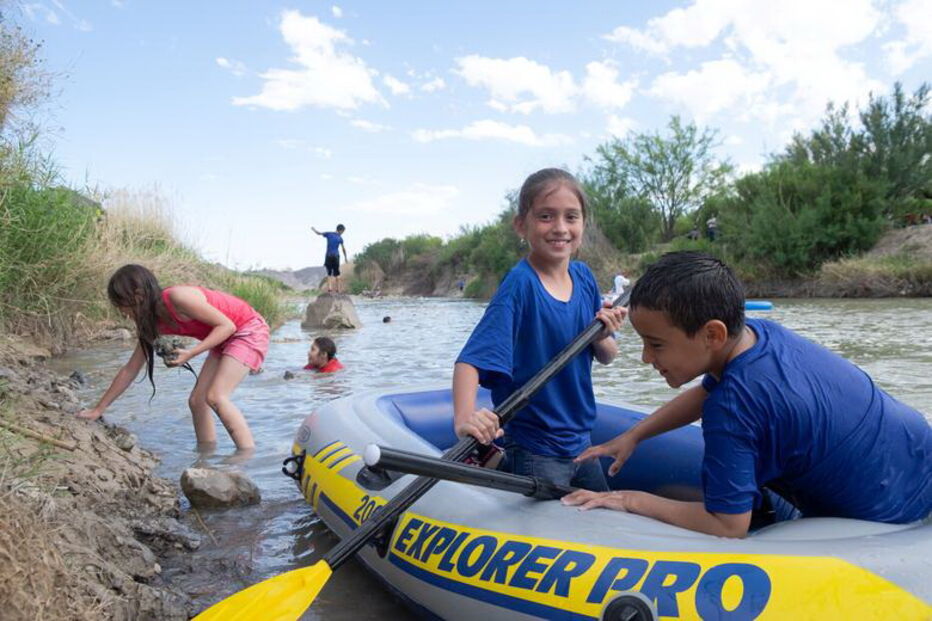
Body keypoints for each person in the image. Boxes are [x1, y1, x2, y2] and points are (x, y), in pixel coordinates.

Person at [563, 251, 932, 537]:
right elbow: (710, 391)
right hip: (918, 460)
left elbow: (727, 526)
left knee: (683, 493)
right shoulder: (761, 335)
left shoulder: (733, 409)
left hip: (888, 517)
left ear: (713, 334)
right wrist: (635, 435)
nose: (646, 358)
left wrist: (627, 499)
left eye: (656, 345)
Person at [453, 168, 625, 491]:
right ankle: (497, 461)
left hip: (581, 443)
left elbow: (607, 355)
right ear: (522, 225)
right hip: (535, 448)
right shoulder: (520, 286)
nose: (560, 228)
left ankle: (495, 461)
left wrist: (602, 334)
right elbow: (469, 361)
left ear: (583, 225)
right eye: (546, 216)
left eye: (571, 217)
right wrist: (464, 419)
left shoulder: (585, 278)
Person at [77, 265, 269, 450]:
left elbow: (227, 326)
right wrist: (98, 409)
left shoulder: (177, 297)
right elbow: (130, 370)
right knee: (197, 401)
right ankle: (206, 456)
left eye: (122, 306)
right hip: (224, 338)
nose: (123, 314)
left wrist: (192, 353)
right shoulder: (150, 325)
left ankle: (246, 457)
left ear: (138, 296)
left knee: (216, 397)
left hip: (248, 329)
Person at [312, 224, 348, 293]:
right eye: (343, 232)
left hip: (328, 256)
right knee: (337, 273)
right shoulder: (340, 238)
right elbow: (343, 249)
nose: (342, 233)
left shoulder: (329, 234)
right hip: (336, 256)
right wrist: (345, 257)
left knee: (329, 273)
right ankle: (338, 290)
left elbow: (319, 233)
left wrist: (314, 230)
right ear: (341, 230)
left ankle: (330, 289)